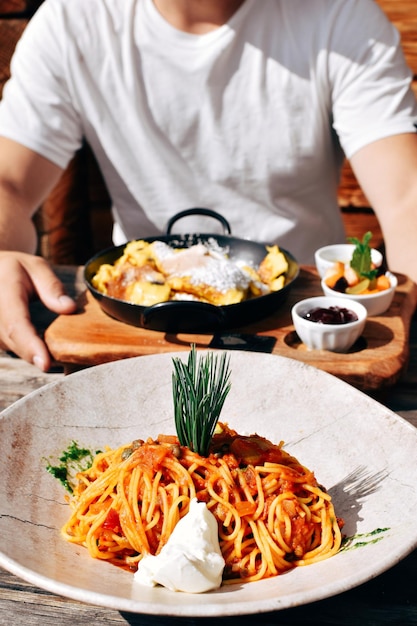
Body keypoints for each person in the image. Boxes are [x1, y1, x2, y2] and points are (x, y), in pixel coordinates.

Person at [0, 0, 417, 371]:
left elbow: (406, 196)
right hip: (139, 327)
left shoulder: (341, 15)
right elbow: (10, 183)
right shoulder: (71, 21)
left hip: (300, 328)